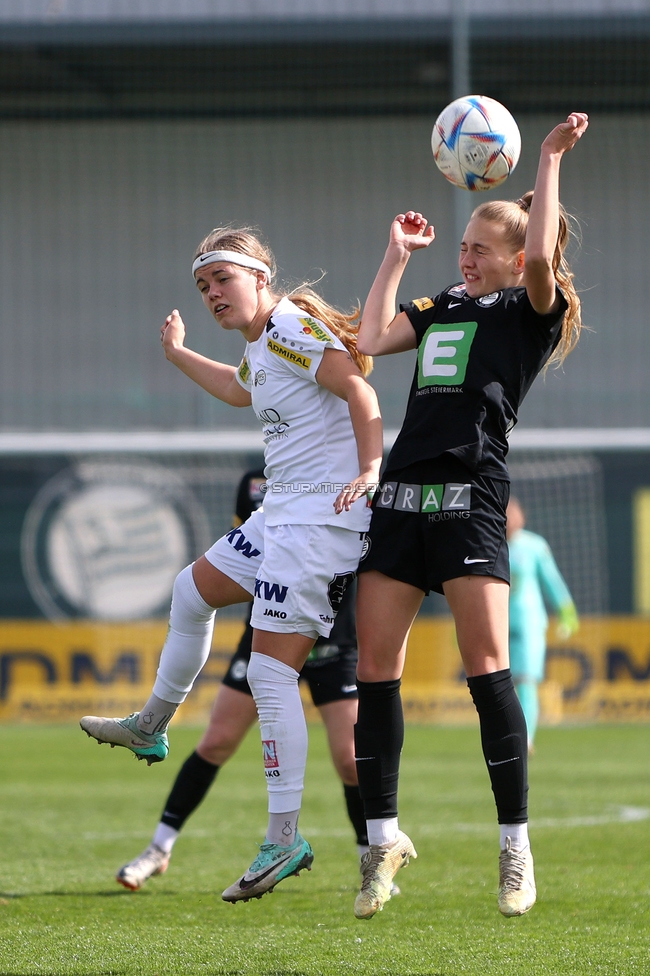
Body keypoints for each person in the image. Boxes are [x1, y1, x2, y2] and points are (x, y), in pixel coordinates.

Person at [80, 227, 382, 903]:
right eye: (203, 285)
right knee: (191, 590)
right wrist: (180, 354)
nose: (212, 293)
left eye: (222, 279)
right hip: (283, 514)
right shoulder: (263, 343)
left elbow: (360, 392)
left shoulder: (291, 327)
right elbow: (243, 392)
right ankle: (152, 725)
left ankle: (283, 837)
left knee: (272, 676)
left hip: (317, 524)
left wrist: (370, 467)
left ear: (258, 276)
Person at [350, 112, 589, 920]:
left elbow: (541, 255)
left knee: (487, 672)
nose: (467, 257)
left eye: (479, 250)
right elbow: (370, 336)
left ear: (514, 258)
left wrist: (550, 159)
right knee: (373, 669)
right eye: (464, 248)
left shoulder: (530, 309)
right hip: (403, 497)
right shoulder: (443, 298)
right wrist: (396, 256)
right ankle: (380, 838)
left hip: (469, 499)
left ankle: (515, 848)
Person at [115, 470, 383, 894]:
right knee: (217, 740)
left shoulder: (355, 470)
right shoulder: (260, 479)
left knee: (350, 759)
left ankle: (370, 859)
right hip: (269, 629)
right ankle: (158, 849)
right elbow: (245, 551)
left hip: (334, 638)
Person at [506, 496, 579, 753]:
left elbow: (552, 581)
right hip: (496, 623)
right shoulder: (487, 543)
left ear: (522, 516)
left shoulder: (534, 546)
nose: (508, 518)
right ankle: (504, 735)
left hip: (528, 623)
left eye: (513, 512)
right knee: (497, 683)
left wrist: (567, 613)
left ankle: (525, 738)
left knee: (525, 680)